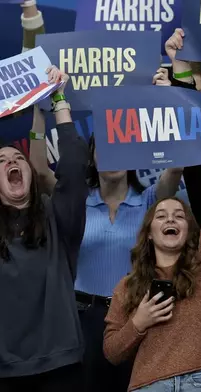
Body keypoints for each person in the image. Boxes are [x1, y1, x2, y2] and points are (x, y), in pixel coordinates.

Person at [29, 99, 184, 392]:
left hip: (135, 316)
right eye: (105, 148)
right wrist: (38, 110)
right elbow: (39, 170)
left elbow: (174, 169)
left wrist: (169, 99)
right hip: (81, 319)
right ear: (92, 157)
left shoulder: (151, 200)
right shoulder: (76, 202)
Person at [102, 115, 201, 391]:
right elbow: (112, 352)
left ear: (188, 230)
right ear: (149, 232)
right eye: (162, 216)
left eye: (179, 216)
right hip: (150, 384)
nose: (171, 220)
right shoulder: (127, 287)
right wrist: (139, 321)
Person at [0, 68, 89, 390]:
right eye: (0, 160)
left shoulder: (57, 217)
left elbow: (75, 170)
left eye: (17, 158)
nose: (11, 161)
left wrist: (59, 99)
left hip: (61, 368)